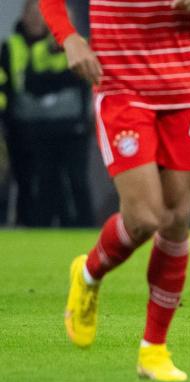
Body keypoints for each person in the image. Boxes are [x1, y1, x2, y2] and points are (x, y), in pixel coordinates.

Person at [39, 0, 190, 381]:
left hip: (183, 89)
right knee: (145, 218)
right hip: (123, 88)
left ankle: (154, 350)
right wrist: (69, 39)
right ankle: (89, 273)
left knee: (177, 219)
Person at [0, 0, 92, 227]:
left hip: (73, 128)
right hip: (35, 128)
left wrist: (56, 80)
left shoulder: (84, 47)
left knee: (77, 181)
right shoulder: (39, 48)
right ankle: (37, 227)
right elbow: (33, 82)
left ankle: (84, 227)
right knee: (42, 183)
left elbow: (83, 80)